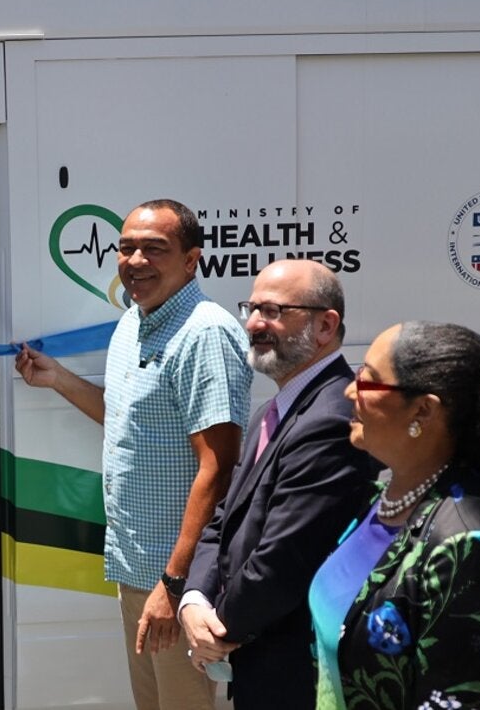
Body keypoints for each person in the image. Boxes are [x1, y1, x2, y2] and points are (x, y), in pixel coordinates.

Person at [15, 199, 251, 710]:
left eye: (154, 249)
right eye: (126, 248)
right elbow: (126, 416)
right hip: (136, 569)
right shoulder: (134, 320)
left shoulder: (204, 333)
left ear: (191, 260)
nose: (135, 260)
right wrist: (56, 378)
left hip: (178, 580)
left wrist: (175, 583)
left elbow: (219, 467)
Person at [309, 321, 480, 710]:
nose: (349, 390)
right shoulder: (382, 499)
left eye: (367, 381)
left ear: (423, 409)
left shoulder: (471, 542)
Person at [180, 260, 377, 709]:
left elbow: (284, 559)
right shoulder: (273, 411)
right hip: (259, 663)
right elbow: (223, 522)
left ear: (326, 325)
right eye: (251, 308)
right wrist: (193, 600)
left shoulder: (331, 418)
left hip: (295, 673)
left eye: (273, 311)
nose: (253, 323)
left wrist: (219, 630)